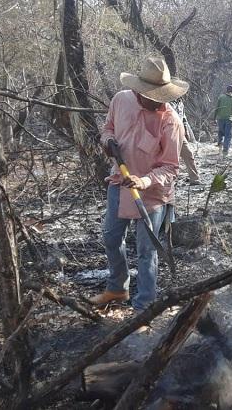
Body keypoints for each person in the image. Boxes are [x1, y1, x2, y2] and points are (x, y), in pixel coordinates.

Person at [89, 56, 187, 311]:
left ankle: (144, 307)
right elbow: (108, 128)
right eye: (151, 95)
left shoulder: (171, 122)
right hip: (119, 182)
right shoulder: (121, 100)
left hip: (153, 194)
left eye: (161, 96)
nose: (157, 101)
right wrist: (108, 142)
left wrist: (144, 181)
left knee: (147, 251)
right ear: (137, 90)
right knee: (111, 237)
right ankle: (117, 288)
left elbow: (171, 167)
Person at [169, 97, 202, 185]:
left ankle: (194, 178)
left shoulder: (180, 102)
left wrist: (186, 130)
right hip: (168, 132)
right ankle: (169, 181)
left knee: (188, 154)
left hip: (180, 132)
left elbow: (183, 117)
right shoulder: (167, 102)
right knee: (171, 159)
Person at [215, 85, 232, 156]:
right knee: (228, 135)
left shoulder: (221, 97)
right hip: (229, 120)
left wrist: (214, 117)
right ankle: (225, 152)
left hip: (220, 118)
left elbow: (217, 108)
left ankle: (220, 146)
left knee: (221, 133)